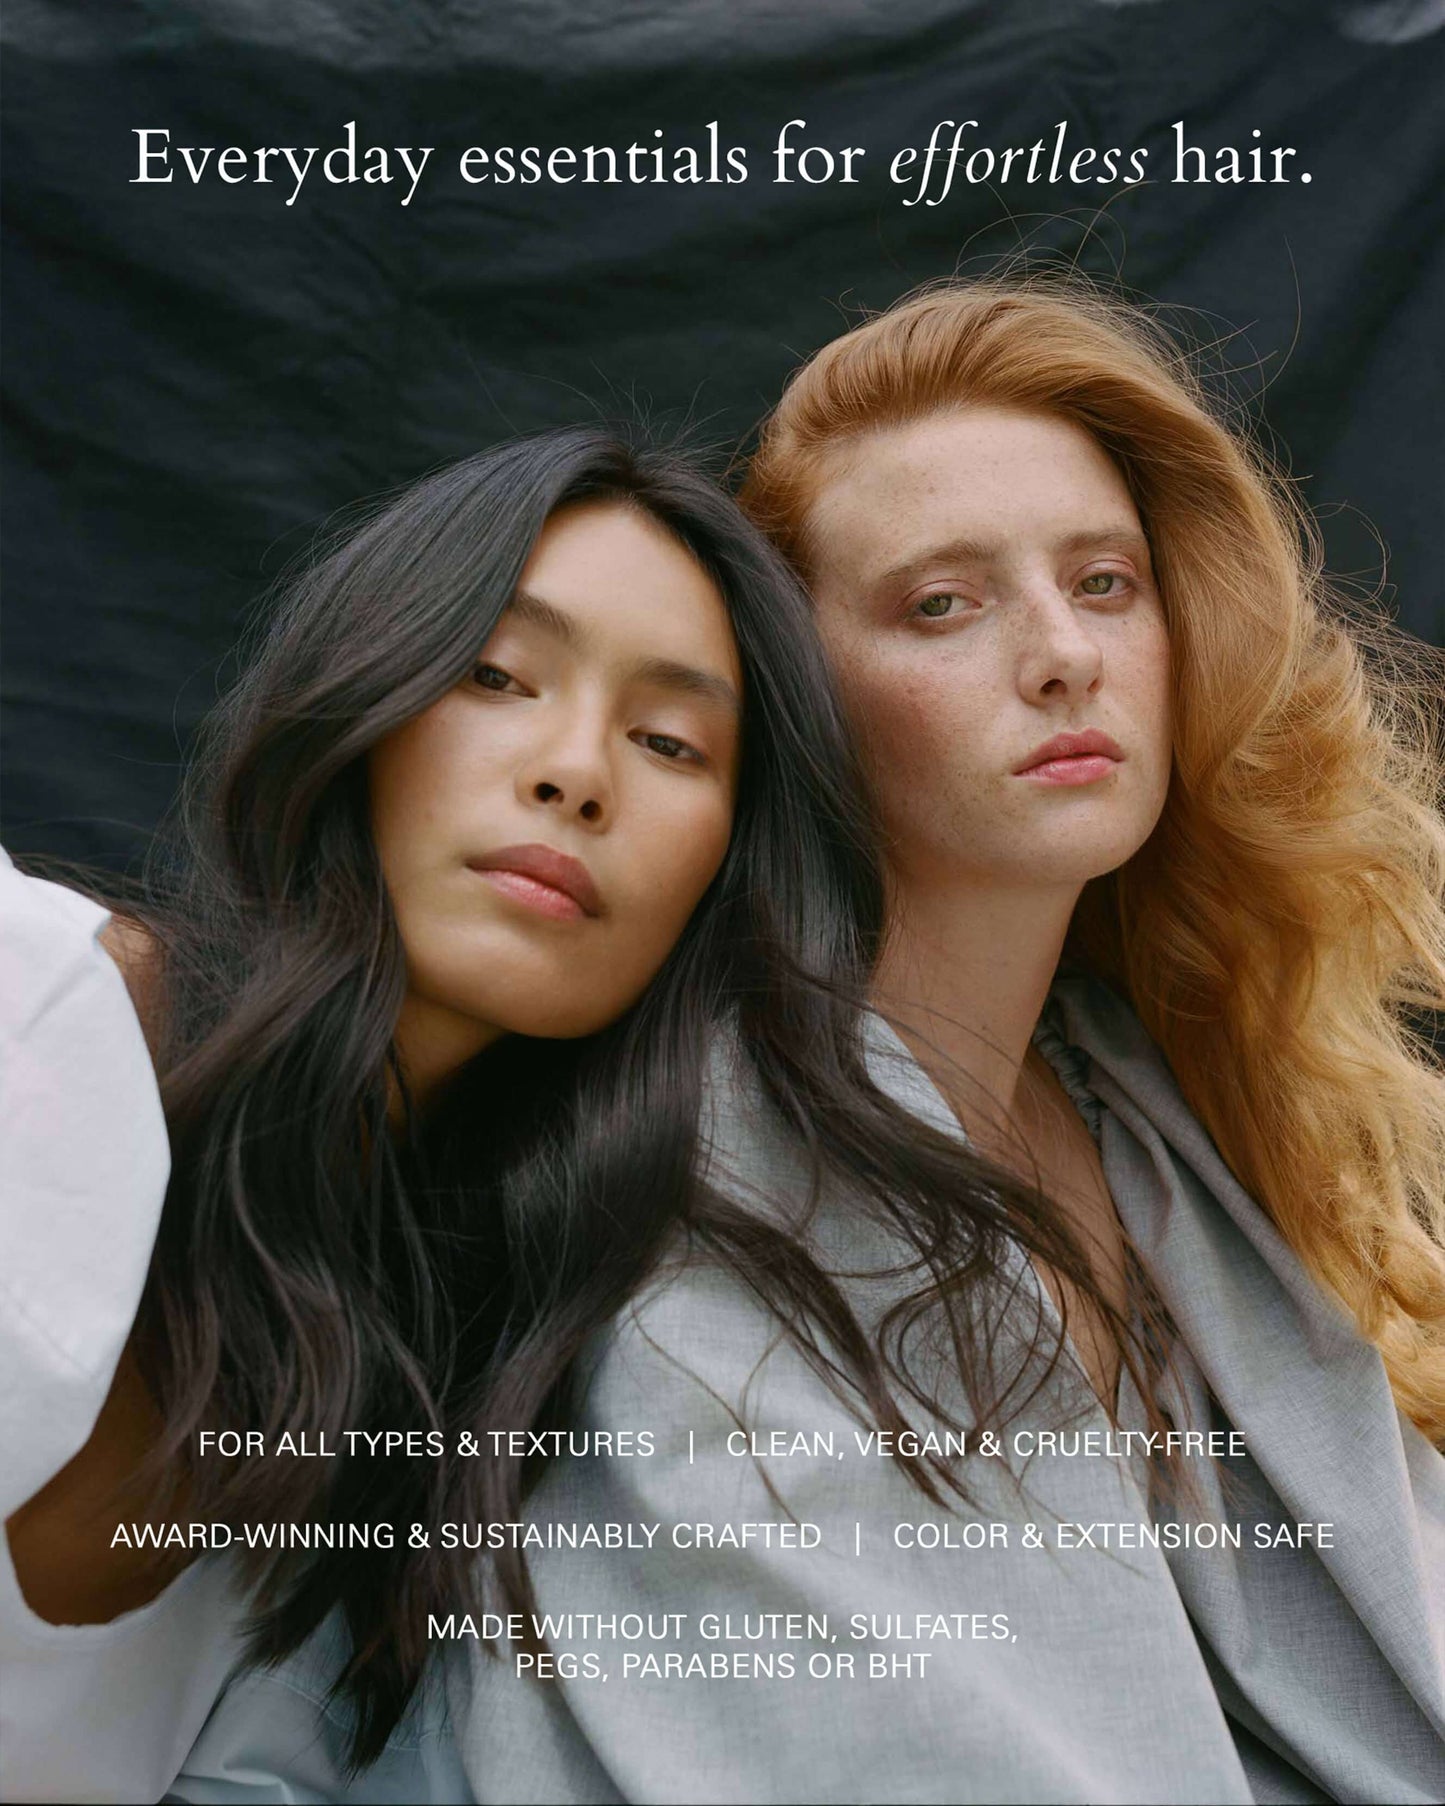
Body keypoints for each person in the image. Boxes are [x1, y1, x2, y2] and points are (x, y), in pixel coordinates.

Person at [173, 291, 1444, 1804]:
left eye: (1105, 582)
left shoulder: (1151, 1100)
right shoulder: (689, 1170)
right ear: (798, 702)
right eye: (941, 604)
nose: (1062, 655)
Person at [7, 425, 1046, 1803]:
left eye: (670, 742)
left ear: (724, 878)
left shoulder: (427, 1415)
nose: (576, 773)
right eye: (496, 674)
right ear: (361, 697)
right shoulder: (33, 1010)